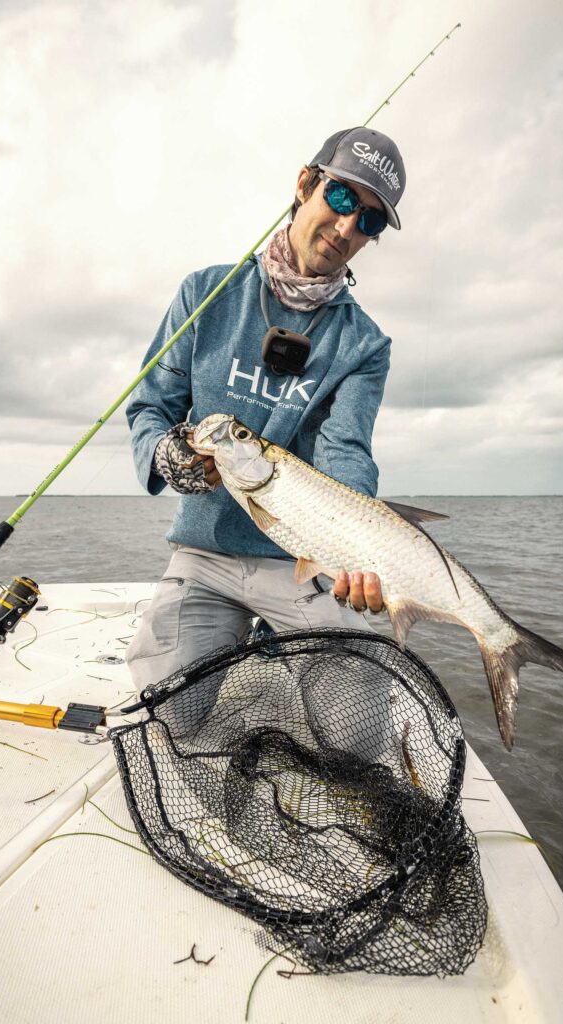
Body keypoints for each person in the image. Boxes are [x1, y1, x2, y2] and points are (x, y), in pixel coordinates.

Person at [125, 126, 406, 718]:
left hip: (301, 567)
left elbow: (345, 452)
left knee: (355, 724)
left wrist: (353, 547)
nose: (348, 227)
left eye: (372, 221)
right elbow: (151, 406)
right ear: (305, 184)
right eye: (342, 198)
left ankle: (277, 635)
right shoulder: (206, 292)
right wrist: (168, 455)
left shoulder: (365, 344)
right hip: (204, 554)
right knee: (172, 715)